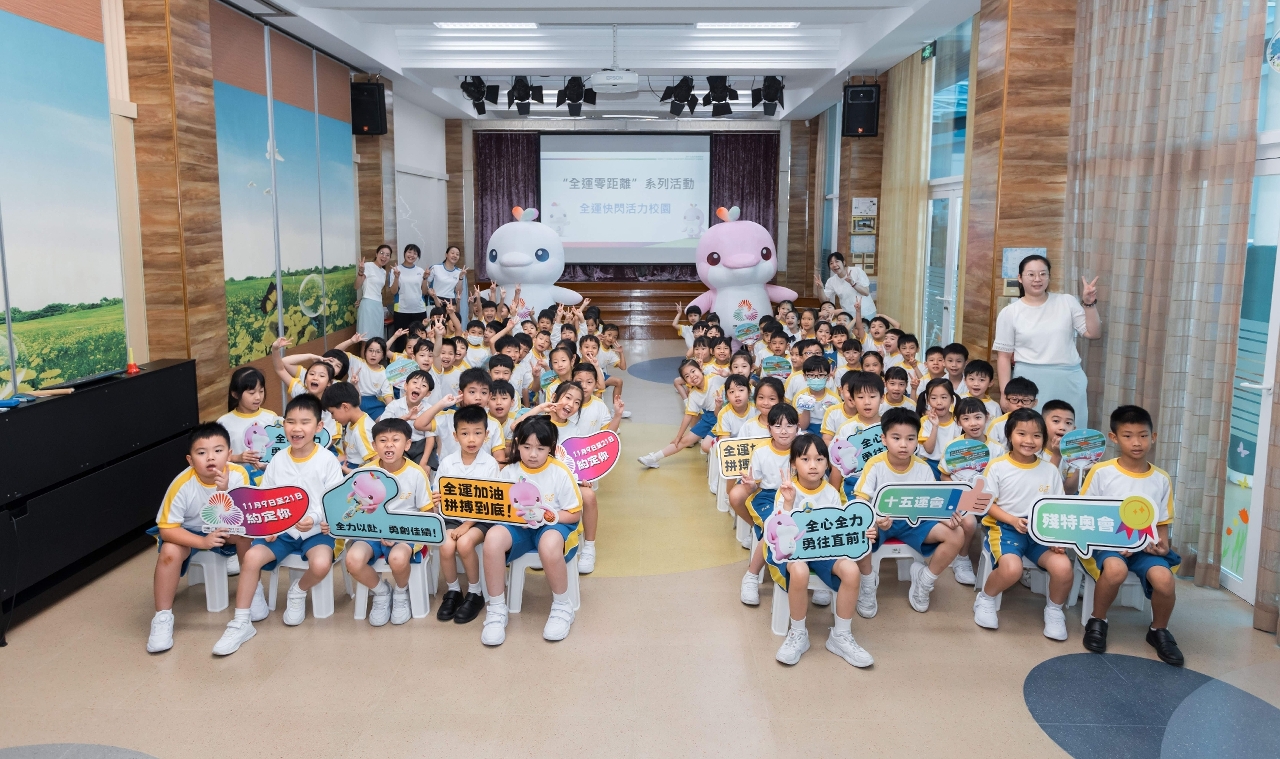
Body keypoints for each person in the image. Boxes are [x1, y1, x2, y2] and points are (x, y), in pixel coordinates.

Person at [213, 395, 342, 655]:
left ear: (318, 427)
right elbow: (265, 498)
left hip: (316, 531)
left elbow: (333, 500)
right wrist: (270, 527)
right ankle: (241, 621)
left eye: (305, 422)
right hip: (281, 532)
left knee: (320, 564)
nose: (297, 428)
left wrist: (314, 518)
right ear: (283, 425)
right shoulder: (278, 460)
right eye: (291, 422)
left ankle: (298, 590)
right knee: (251, 558)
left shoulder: (327, 460)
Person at [1078, 405, 1183, 666]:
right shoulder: (1101, 472)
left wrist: (1161, 547)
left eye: (1143, 435)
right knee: (1115, 570)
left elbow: (1162, 524)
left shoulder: (1161, 478)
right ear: (1114, 438)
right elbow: (1085, 515)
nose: (1137, 442)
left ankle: (1159, 630)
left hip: (1145, 549)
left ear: (1153, 437)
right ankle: (1098, 620)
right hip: (1107, 545)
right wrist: (1115, 543)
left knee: (1165, 580)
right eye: (1128, 436)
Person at [147, 424, 259, 653]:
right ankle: (162, 617)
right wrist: (202, 542)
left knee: (246, 535)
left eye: (218, 451)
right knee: (169, 551)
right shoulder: (181, 484)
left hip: (227, 530)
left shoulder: (239, 474)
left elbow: (247, 517)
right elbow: (167, 529)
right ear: (190, 460)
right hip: (190, 533)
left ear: (229, 454)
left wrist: (224, 490)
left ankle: (253, 591)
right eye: (201, 452)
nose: (210, 457)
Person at [768, 434, 877, 668]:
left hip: (825, 551)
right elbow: (779, 530)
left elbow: (841, 529)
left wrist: (862, 533)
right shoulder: (786, 490)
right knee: (799, 572)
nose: (813, 465)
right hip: (794, 552)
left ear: (827, 463)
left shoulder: (831, 493)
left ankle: (841, 635)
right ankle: (798, 633)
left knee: (851, 571)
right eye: (805, 459)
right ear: (793, 464)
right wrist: (788, 503)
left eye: (819, 459)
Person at [480, 415, 584, 645]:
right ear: (518, 444)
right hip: (518, 527)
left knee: (548, 545)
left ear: (551, 447)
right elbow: (500, 508)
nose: (533, 454)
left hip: (555, 525)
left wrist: (547, 516)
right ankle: (496, 609)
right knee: (493, 539)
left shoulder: (559, 472)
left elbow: (574, 513)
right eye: (527, 447)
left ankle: (562, 606)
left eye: (540, 448)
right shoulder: (509, 471)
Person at [973, 408, 1075, 641]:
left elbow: (1057, 507)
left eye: (1036, 435)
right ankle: (986, 598)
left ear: (1044, 439)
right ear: (1009, 435)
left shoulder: (1050, 470)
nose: (1029, 441)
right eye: (1022, 434)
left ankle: (1054, 610)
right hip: (1005, 528)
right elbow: (987, 504)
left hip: (1042, 532)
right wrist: (1012, 520)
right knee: (1012, 569)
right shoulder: (997, 466)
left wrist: (1056, 539)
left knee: (1063, 568)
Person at [853, 408, 968, 616]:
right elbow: (861, 501)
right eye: (896, 438)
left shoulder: (923, 468)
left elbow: (934, 505)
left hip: (916, 523)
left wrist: (947, 519)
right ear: (884, 439)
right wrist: (875, 520)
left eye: (910, 438)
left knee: (957, 533)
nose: (904, 444)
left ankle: (925, 580)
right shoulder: (875, 464)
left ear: (917, 440)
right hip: (881, 523)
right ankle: (868, 583)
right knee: (859, 533)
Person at [336, 419, 432, 627]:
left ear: (407, 444)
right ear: (374, 445)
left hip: (406, 533)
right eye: (383, 440)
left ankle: (401, 592)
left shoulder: (416, 473)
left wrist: (397, 534)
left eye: (395, 440)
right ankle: (381, 591)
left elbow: (427, 515)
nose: (389, 445)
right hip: (371, 533)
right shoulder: (364, 472)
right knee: (353, 560)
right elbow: (354, 509)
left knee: (398, 558)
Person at [992, 254, 1102, 429]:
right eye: (1031, 274)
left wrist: (1089, 304)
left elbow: (1093, 333)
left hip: (1068, 379)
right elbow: (1004, 357)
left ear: (1049, 276)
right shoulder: (1010, 312)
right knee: (1031, 431)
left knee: (1070, 434)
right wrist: (1006, 394)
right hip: (1028, 383)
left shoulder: (1066, 301)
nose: (1037, 279)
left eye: (1043, 274)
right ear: (1020, 278)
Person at [433, 404, 502, 625]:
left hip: (482, 519)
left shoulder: (490, 464)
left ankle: (475, 592)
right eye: (465, 433)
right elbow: (439, 496)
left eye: (477, 433)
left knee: (464, 544)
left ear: (486, 434)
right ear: (455, 436)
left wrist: (467, 525)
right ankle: (453, 591)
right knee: (446, 545)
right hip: (453, 516)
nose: (471, 439)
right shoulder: (447, 463)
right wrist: (436, 501)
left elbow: (490, 502)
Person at [734, 404, 801, 606]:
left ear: (798, 428)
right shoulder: (762, 451)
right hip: (767, 496)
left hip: (797, 495)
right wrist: (750, 485)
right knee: (776, 525)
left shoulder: (802, 447)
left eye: (789, 425)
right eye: (778, 426)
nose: (784, 431)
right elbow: (756, 485)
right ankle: (751, 576)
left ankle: (817, 577)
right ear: (769, 428)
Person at [938, 396, 1005, 585]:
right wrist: (961, 491)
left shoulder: (997, 449)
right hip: (961, 498)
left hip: (989, 499)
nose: (973, 423)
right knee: (969, 523)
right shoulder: (953, 448)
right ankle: (962, 558)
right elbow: (944, 477)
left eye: (978, 417)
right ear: (958, 422)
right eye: (966, 419)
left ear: (987, 417)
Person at [638, 359, 725, 468]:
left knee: (708, 444)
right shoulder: (693, 395)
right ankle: (654, 458)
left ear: (700, 369)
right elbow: (688, 416)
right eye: (687, 376)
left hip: (724, 416)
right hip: (708, 418)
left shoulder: (715, 378)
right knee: (684, 441)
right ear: (685, 381)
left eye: (693, 371)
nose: (692, 376)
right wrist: (678, 437)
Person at [218, 367, 279, 485]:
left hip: (268, 481)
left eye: (261, 391)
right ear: (235, 394)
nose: (258, 397)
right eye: (251, 393)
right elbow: (216, 456)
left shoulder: (272, 418)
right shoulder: (224, 423)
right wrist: (238, 458)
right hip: (238, 483)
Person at [378, 369, 435, 467]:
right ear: (406, 386)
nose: (418, 386)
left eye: (424, 385)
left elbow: (430, 438)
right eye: (415, 382)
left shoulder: (429, 409)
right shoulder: (394, 406)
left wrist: (424, 462)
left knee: (424, 469)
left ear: (427, 394)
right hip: (399, 445)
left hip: (422, 446)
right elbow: (382, 428)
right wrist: (406, 418)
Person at [322, 382, 376, 473]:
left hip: (358, 473)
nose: (332, 417)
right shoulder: (352, 422)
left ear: (345, 407)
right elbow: (347, 455)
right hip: (349, 464)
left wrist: (345, 470)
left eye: (332, 413)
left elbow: (376, 468)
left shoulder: (362, 431)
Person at [917, 378, 960, 480]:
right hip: (930, 464)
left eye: (944, 397)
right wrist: (935, 426)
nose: (939, 402)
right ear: (927, 401)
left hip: (952, 465)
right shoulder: (925, 421)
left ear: (952, 400)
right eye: (933, 398)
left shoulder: (958, 420)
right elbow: (929, 450)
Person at [816, 252, 876, 317]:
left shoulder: (857, 271)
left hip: (866, 313)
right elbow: (824, 301)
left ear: (844, 262)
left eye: (837, 261)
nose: (834, 265)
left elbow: (866, 292)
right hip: (848, 315)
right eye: (831, 263)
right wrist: (820, 288)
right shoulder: (831, 281)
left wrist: (853, 284)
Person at [348, 336, 395, 418]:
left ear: (383, 355)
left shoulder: (385, 374)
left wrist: (393, 413)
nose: (373, 355)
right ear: (365, 352)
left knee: (384, 420)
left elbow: (388, 396)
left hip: (374, 404)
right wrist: (351, 341)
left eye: (378, 352)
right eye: (370, 350)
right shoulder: (356, 362)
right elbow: (336, 352)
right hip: (352, 399)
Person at [794, 356, 838, 437]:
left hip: (828, 430)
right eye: (811, 375)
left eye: (821, 375)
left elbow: (836, 425)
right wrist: (807, 408)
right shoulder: (800, 397)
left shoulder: (834, 399)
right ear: (805, 377)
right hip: (807, 431)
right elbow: (802, 426)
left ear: (828, 377)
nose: (816, 379)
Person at [987, 376, 1038, 447]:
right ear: (1006, 400)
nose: (1020, 404)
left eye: (1026, 400)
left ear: (1035, 403)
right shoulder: (997, 424)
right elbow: (992, 449)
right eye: (1014, 399)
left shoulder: (1039, 424)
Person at [356, 244, 393, 338]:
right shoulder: (368, 266)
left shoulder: (383, 271)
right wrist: (360, 272)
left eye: (387, 255)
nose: (384, 256)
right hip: (368, 306)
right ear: (376, 254)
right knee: (365, 337)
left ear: (389, 258)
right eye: (382, 253)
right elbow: (356, 286)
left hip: (378, 306)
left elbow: (376, 290)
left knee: (377, 338)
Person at [393, 243, 428, 336]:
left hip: (419, 310)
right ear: (404, 253)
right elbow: (393, 291)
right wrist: (396, 277)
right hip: (401, 310)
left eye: (415, 253)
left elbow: (424, 292)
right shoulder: (396, 270)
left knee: (419, 338)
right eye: (409, 252)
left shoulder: (421, 271)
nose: (412, 255)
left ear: (417, 256)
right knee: (401, 338)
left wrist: (425, 278)